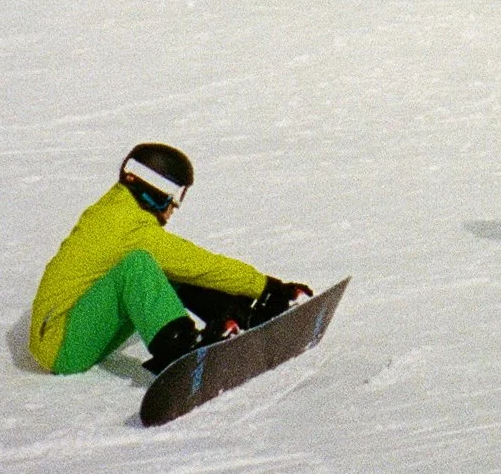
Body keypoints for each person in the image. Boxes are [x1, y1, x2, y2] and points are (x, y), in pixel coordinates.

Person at [29, 143, 310, 378]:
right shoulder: (126, 226)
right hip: (60, 344)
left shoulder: (121, 211)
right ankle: (181, 351)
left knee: (164, 269)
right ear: (153, 191)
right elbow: (199, 264)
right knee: (139, 266)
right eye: (173, 196)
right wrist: (265, 286)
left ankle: (244, 313)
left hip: (71, 332)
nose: (174, 206)